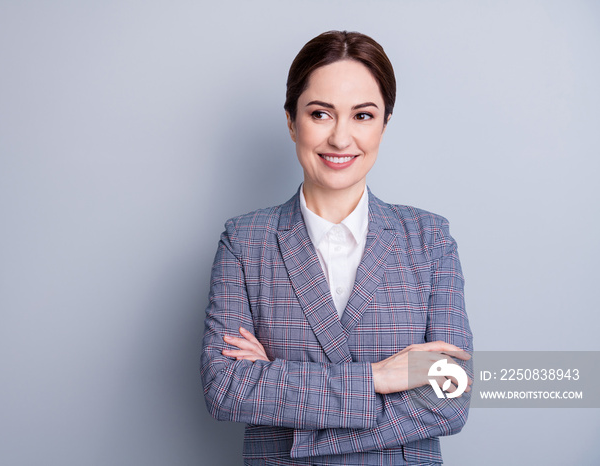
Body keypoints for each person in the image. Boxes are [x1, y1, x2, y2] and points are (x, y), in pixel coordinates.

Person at [200, 30, 473, 465]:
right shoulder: (245, 241)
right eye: (321, 114)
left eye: (362, 116)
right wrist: (378, 377)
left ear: (384, 123)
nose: (341, 139)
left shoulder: (430, 240)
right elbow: (227, 387)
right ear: (292, 121)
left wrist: (282, 394)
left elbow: (449, 395)